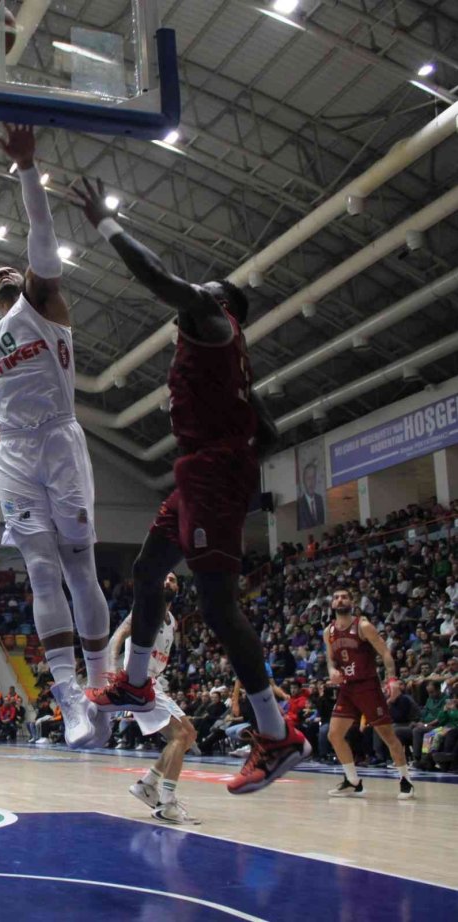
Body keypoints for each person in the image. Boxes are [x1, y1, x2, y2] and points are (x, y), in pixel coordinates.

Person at [73, 178, 310, 794]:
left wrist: (105, 221)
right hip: (201, 470)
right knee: (148, 573)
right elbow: (270, 428)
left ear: (220, 303)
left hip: (212, 474)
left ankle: (276, 733)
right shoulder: (228, 360)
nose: (194, 292)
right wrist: (239, 451)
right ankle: (136, 678)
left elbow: (159, 279)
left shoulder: (214, 320)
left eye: (205, 289)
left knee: (216, 603)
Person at [0, 124, 111, 750]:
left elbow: (43, 242)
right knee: (41, 570)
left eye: (6, 269)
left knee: (78, 563)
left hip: (58, 439)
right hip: (11, 450)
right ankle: (67, 696)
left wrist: (26, 169)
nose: (1, 275)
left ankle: (100, 688)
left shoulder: (41, 306)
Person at [114, 573, 200, 824]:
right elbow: (118, 637)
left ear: (178, 588)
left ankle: (148, 784)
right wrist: (110, 671)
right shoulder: (144, 608)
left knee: (190, 733)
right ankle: (166, 803)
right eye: (162, 579)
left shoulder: (172, 621)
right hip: (136, 681)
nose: (167, 582)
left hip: (154, 682)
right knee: (180, 736)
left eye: (172, 580)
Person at [324, 586, 414, 799]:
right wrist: (331, 670)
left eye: (344, 597)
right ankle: (353, 781)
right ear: (332, 604)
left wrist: (391, 679)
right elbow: (330, 659)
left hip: (367, 686)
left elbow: (385, 652)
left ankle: (405, 780)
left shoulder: (363, 626)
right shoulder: (329, 631)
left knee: (388, 736)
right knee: (334, 735)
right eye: (336, 597)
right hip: (347, 688)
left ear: (352, 602)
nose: (340, 600)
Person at [297, 462, 326, 530]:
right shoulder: (300, 504)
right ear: (304, 481)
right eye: (308, 478)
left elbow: (322, 522)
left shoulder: (319, 499)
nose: (311, 482)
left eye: (313, 477)